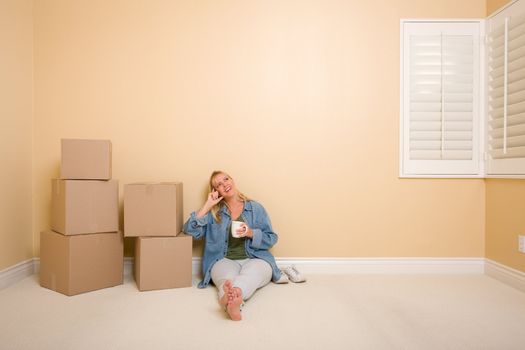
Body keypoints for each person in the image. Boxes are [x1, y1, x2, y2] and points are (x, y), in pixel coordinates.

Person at [183, 170, 283, 321]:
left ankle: (230, 299)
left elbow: (272, 238)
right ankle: (231, 299)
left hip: (255, 258)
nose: (225, 184)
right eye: (219, 185)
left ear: (232, 180)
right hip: (223, 259)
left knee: (252, 275)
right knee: (226, 280)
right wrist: (207, 205)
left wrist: (250, 233)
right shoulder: (213, 212)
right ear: (215, 191)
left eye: (226, 179)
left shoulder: (255, 208)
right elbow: (189, 231)